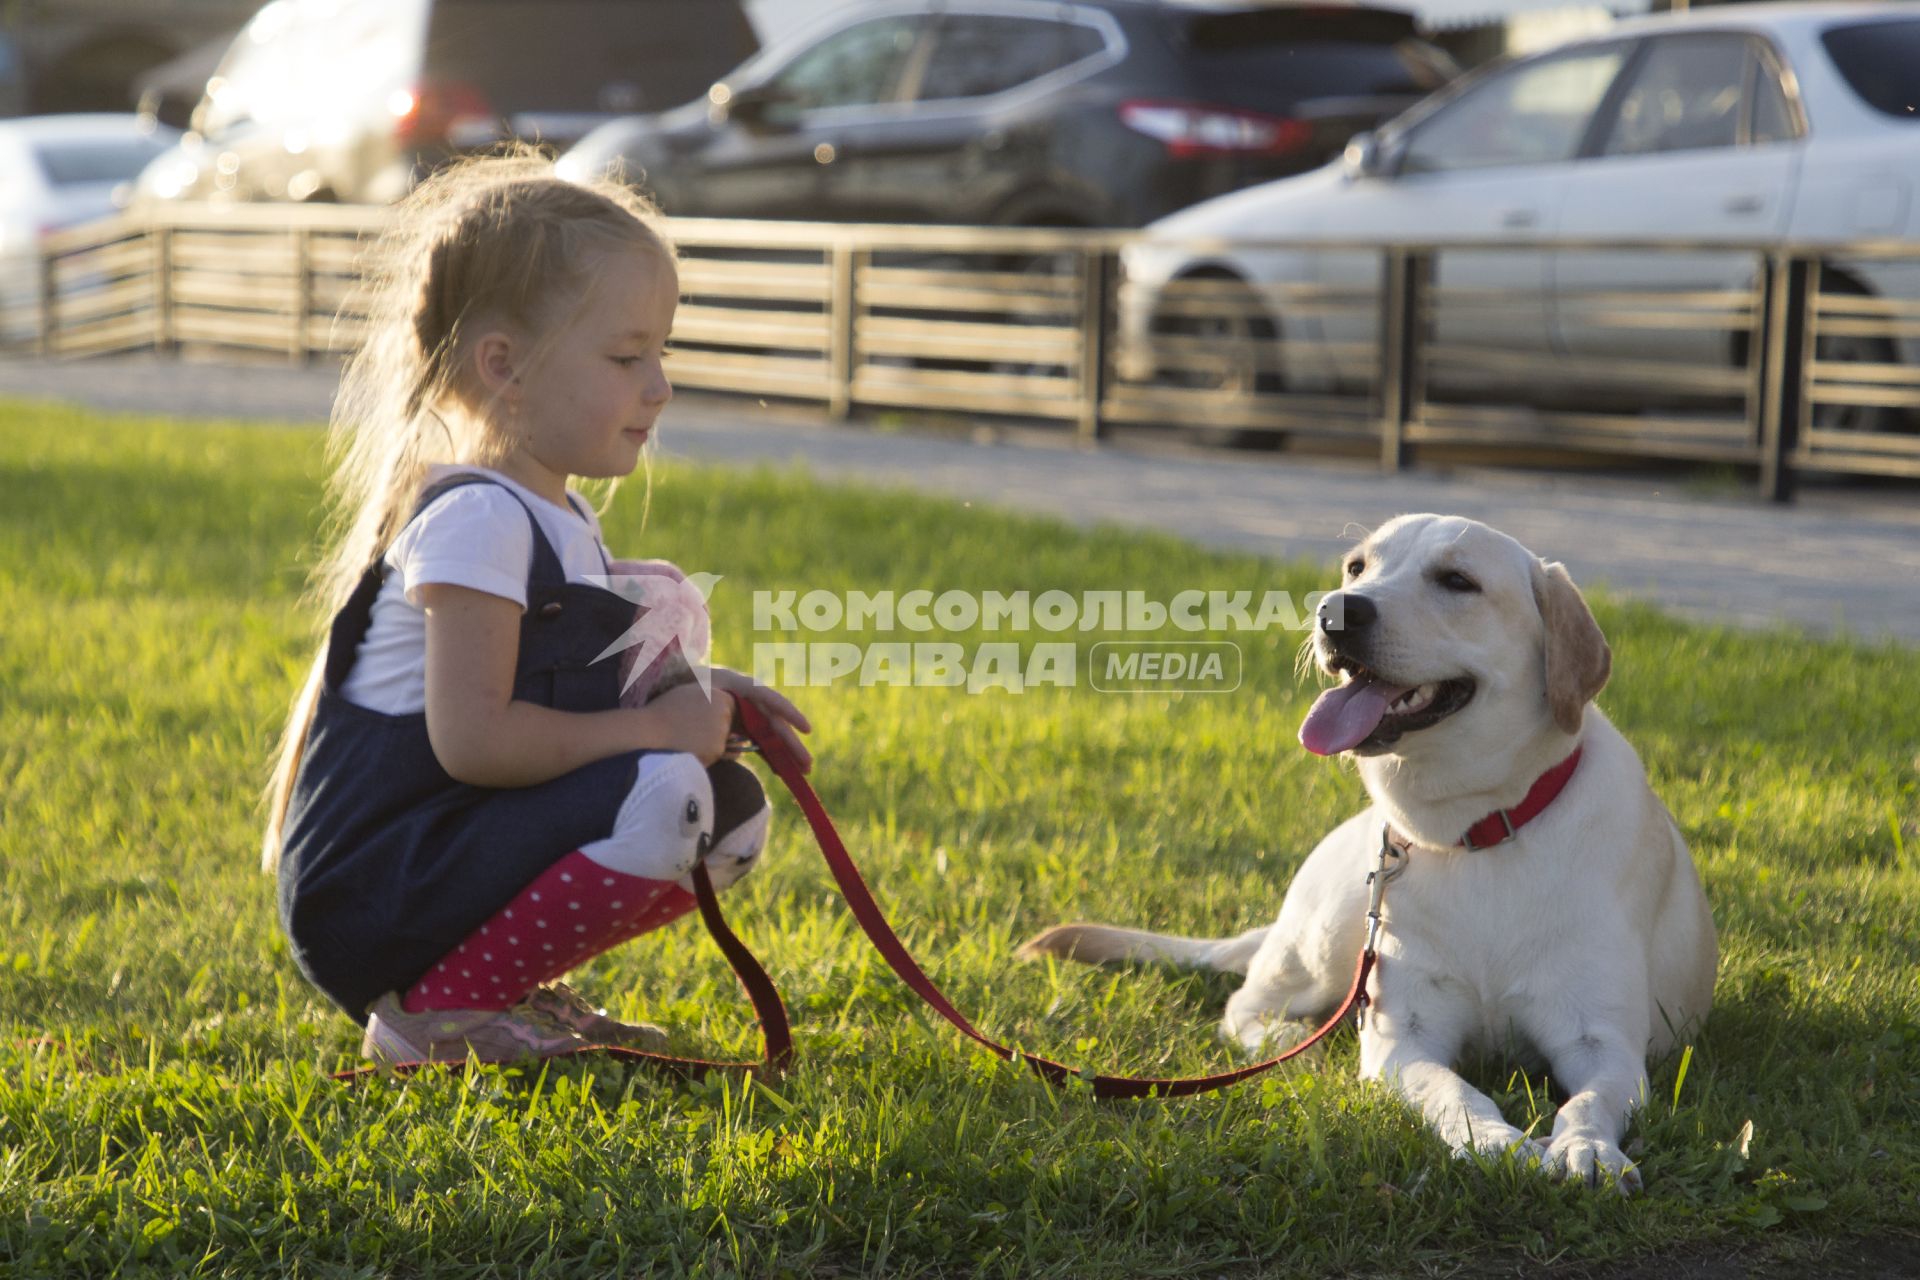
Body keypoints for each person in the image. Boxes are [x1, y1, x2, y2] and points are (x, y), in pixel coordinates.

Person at [260, 152, 812, 1066]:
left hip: (446, 860)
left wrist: (704, 695)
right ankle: (438, 1013)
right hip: (376, 897)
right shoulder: (479, 518)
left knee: (730, 809)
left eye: (660, 353)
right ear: (505, 367)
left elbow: (564, 697)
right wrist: (661, 732)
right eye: (626, 356)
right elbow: (477, 743)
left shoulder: (562, 517)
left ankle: (488, 986)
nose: (659, 385)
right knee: (667, 789)